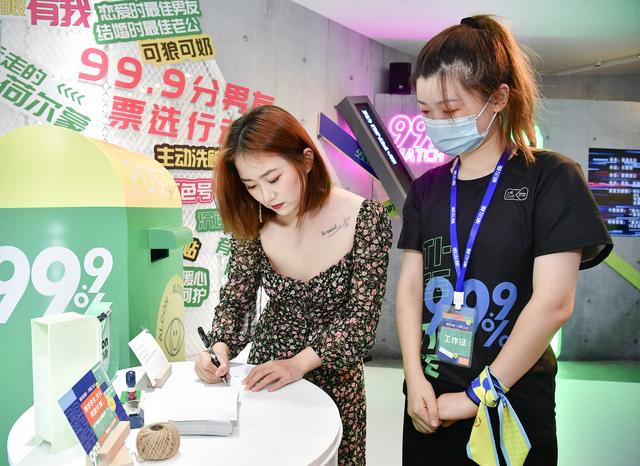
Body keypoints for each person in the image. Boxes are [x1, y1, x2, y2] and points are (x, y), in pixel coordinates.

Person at [396, 15, 612, 466]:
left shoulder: (550, 178)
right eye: (426, 111)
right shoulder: (427, 189)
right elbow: (411, 288)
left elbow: (554, 303)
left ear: (498, 98)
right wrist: (414, 379)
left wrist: (478, 395)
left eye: (450, 110)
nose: (436, 123)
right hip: (429, 400)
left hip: (511, 400)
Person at [194, 104, 392, 464]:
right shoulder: (254, 221)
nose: (266, 196)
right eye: (251, 185)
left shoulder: (364, 218)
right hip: (268, 373)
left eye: (273, 178)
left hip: (335, 376)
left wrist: (298, 364)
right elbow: (238, 300)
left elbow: (361, 321)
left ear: (305, 159)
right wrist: (218, 349)